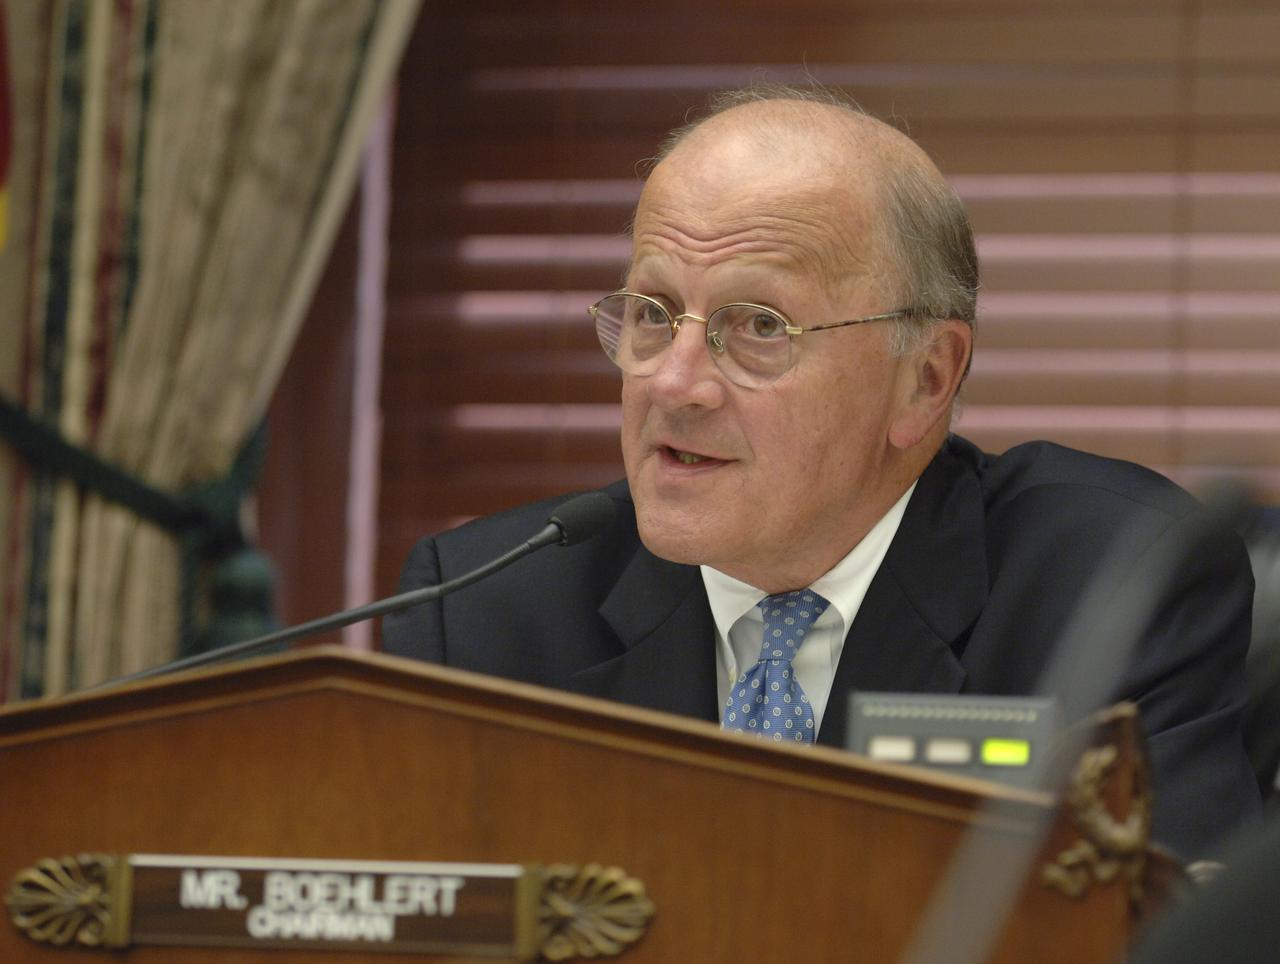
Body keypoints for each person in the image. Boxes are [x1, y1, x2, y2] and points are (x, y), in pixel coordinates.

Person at [384, 86, 1258, 860]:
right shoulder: (484, 616)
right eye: (652, 314)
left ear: (924, 380)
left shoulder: (1111, 588)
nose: (673, 382)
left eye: (759, 325)